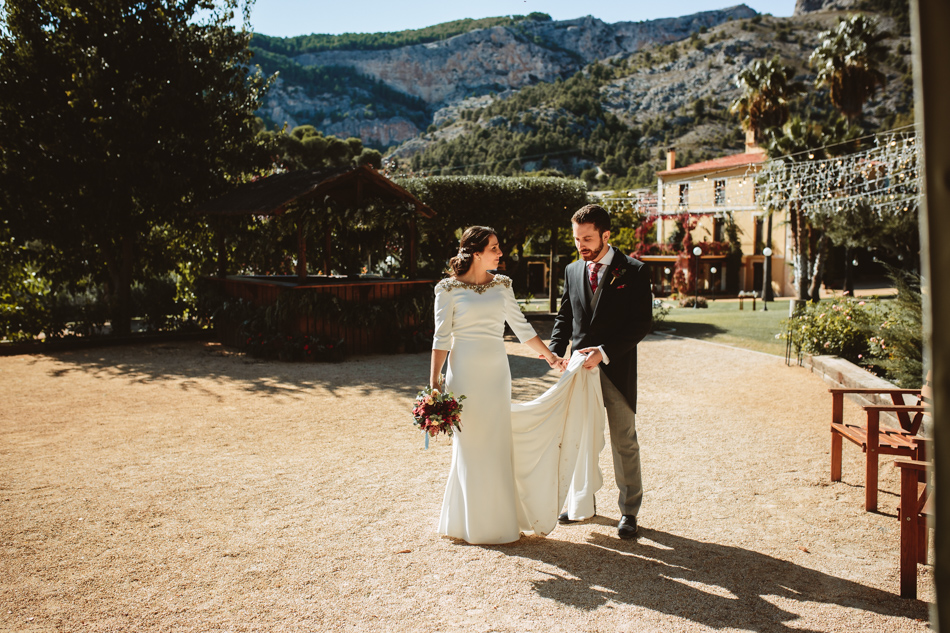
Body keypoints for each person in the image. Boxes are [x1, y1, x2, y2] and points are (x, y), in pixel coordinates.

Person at [429, 226, 560, 545]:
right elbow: (441, 337)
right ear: (476, 253)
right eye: (495, 247)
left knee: (497, 444)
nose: (501, 253)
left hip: (496, 375)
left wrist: (550, 357)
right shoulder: (447, 289)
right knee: (470, 446)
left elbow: (521, 327)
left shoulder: (502, 286)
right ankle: (467, 523)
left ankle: (499, 523)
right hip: (462, 377)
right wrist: (434, 381)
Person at [549, 204, 653, 540]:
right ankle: (582, 504)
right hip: (579, 372)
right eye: (577, 238)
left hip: (616, 369)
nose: (581, 244)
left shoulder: (634, 271)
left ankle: (629, 512)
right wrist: (554, 348)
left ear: (606, 235)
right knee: (577, 439)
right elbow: (566, 316)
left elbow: (641, 323)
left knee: (625, 442)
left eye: (588, 238)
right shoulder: (572, 270)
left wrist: (604, 352)